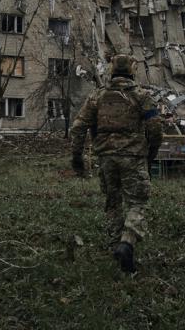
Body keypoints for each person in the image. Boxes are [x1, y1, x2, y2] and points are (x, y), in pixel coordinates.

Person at [70, 54, 162, 273]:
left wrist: (77, 156)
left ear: (111, 71)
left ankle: (116, 249)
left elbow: (79, 126)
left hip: (106, 158)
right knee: (137, 202)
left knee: (113, 202)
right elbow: (155, 129)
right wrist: (151, 154)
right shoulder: (142, 96)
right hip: (133, 157)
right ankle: (127, 242)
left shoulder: (97, 96)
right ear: (132, 70)